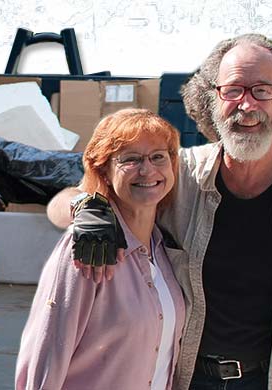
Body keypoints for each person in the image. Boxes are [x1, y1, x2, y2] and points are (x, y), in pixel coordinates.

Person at [48, 34, 272, 390]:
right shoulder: (175, 178)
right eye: (233, 90)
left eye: (262, 90)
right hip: (182, 380)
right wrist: (87, 207)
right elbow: (60, 203)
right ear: (210, 100)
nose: (246, 105)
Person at [16, 109, 187, 390]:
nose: (147, 170)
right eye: (130, 159)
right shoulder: (88, 247)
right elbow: (46, 355)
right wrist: (81, 204)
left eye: (158, 156)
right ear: (104, 172)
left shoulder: (163, 251)